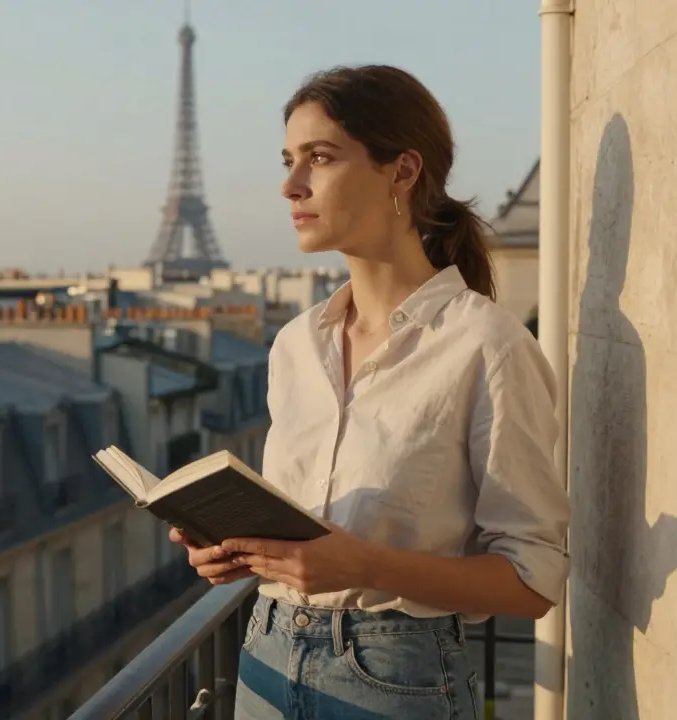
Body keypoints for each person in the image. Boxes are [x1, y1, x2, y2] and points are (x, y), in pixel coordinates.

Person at [169, 64, 570, 719]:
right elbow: (310, 542)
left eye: (319, 158)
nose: (290, 185)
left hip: (395, 678)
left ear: (402, 171)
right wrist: (239, 548)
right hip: (264, 652)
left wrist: (363, 566)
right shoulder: (295, 345)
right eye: (288, 160)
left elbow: (533, 582)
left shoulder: (486, 345)